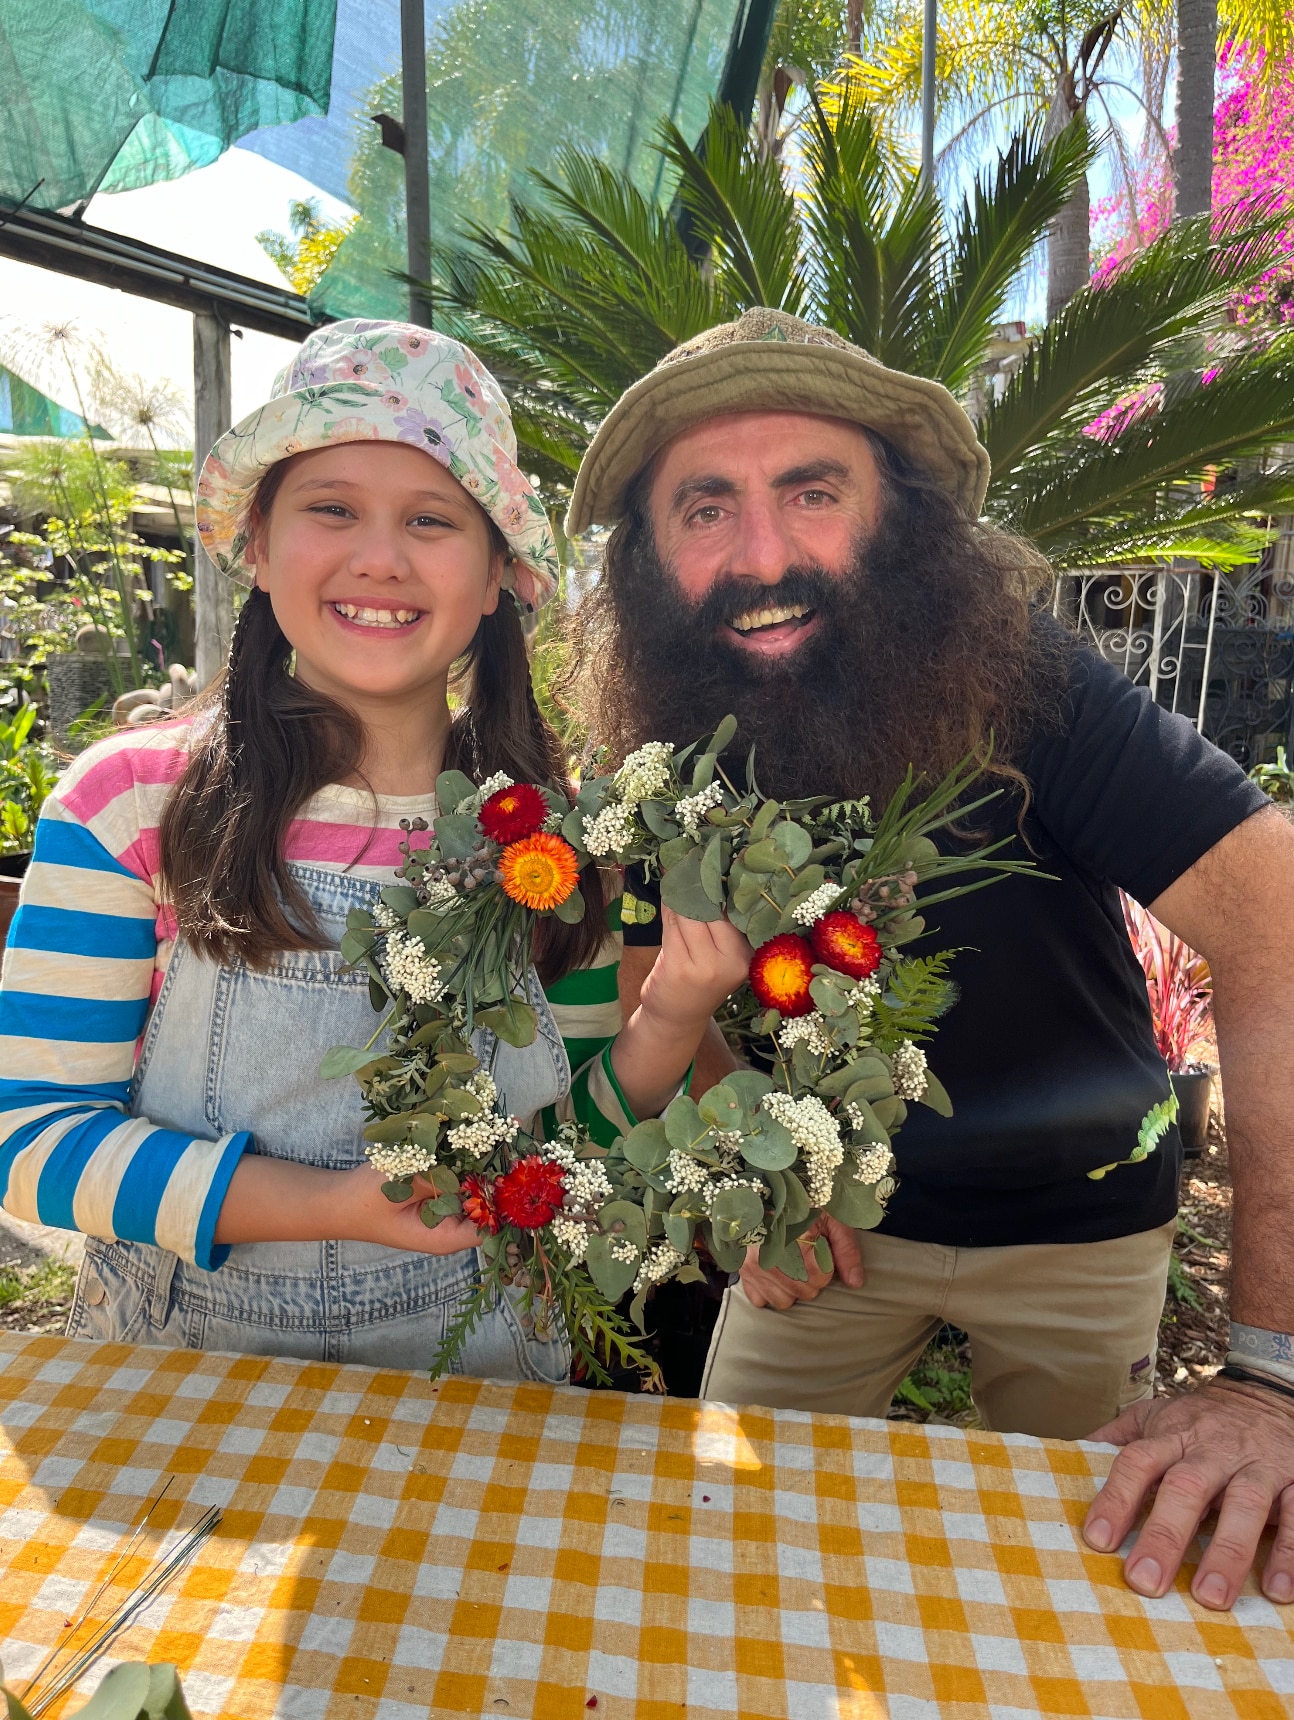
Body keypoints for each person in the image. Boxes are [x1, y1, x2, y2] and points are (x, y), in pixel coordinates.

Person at [564, 307, 1294, 1610]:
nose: (763, 553)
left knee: (1084, 1591)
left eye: (811, 490)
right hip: (828, 1229)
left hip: (1079, 1231)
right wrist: (751, 1162)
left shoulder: (1029, 694)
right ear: (644, 561)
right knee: (722, 1554)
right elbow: (655, 977)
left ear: (898, 514)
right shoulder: (654, 748)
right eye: (704, 507)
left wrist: (1270, 1371)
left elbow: (1277, 921)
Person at [0, 319, 747, 1377]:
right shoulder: (136, 803)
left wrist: (670, 1016)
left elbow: (555, 1156)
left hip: (481, 1372)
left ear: (497, 576)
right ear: (257, 542)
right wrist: (336, 1206)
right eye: (331, 508)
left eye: (433, 519)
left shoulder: (550, 837)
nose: (381, 558)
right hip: (187, 1375)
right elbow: (30, 1146)